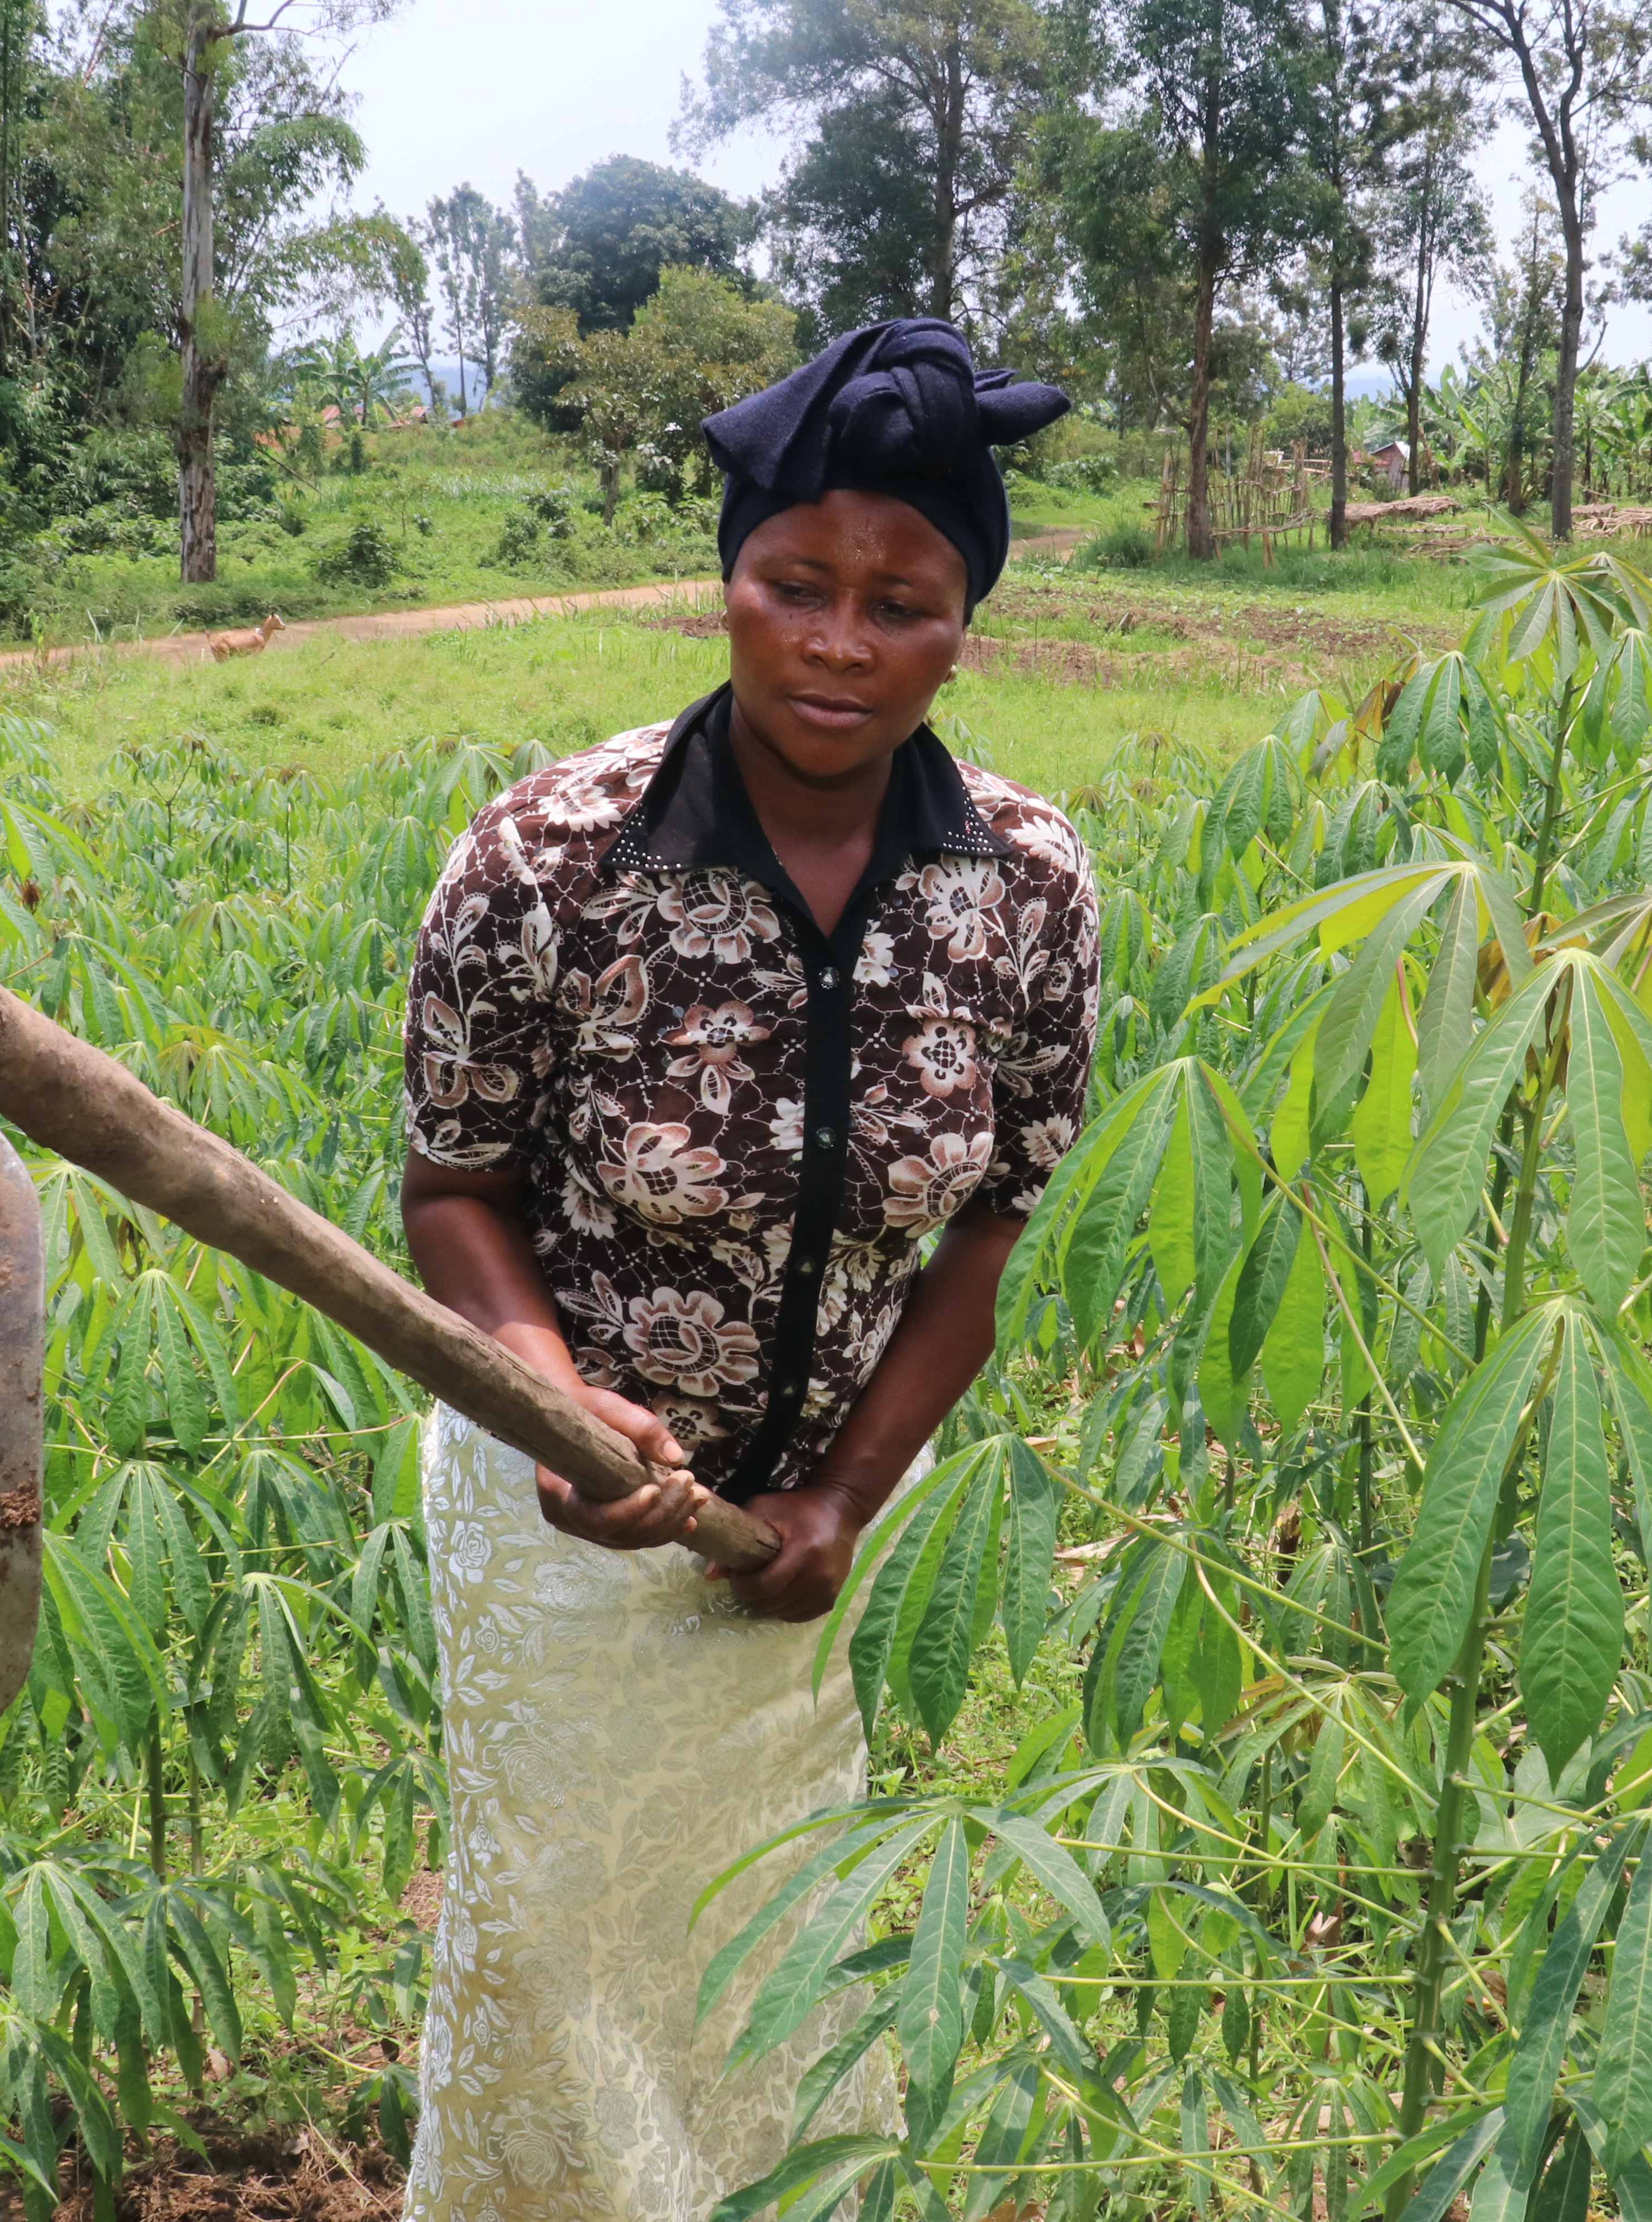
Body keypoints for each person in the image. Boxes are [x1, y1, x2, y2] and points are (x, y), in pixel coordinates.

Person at [394, 321, 1099, 2220]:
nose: (839, 643)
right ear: (728, 586)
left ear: (969, 625)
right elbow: (451, 1190)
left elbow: (993, 1223)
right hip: (563, 1512)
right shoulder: (549, 858)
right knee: (559, 1947)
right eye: (797, 585)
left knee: (778, 1939)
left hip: (839, 1520)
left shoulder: (1028, 886)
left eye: (904, 600)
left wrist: (845, 1500)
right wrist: (553, 1393)